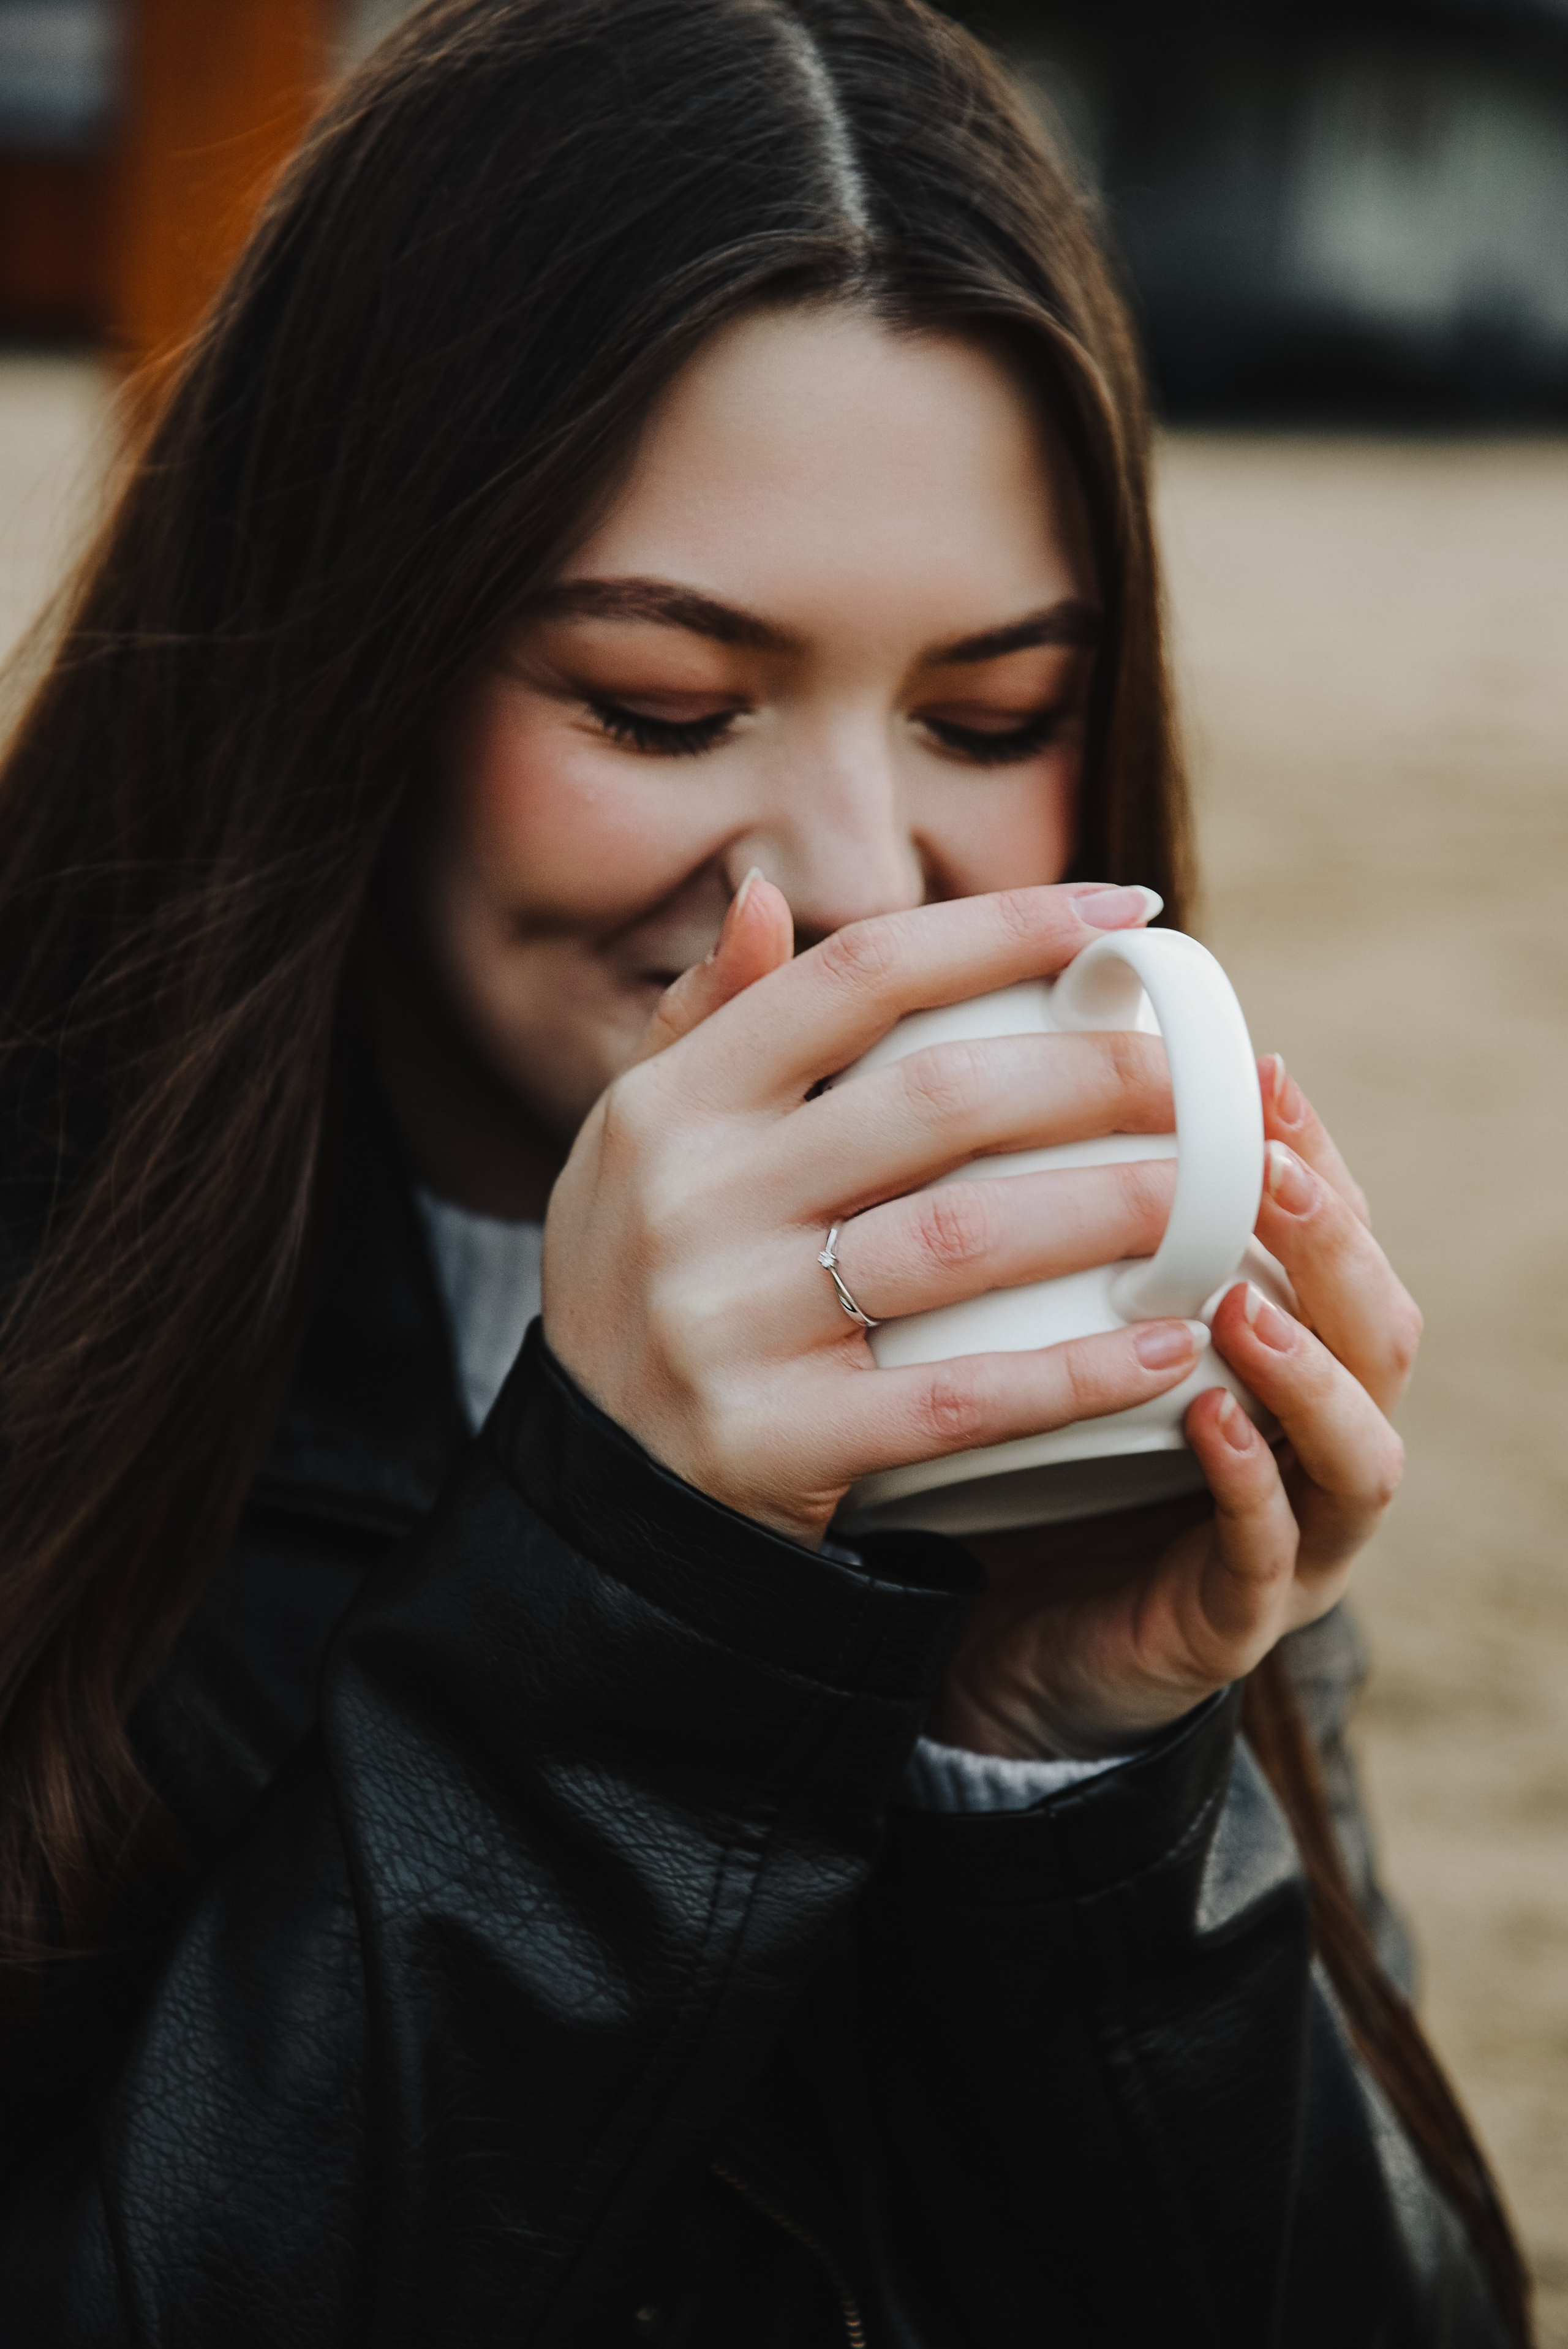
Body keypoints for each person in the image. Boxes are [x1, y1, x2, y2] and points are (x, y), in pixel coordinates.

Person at [0, 1, 1532, 2340]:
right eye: (660, 704)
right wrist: (623, 1604)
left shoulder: (1077, 1342)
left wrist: (1076, 1785)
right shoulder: (61, 1362)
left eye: (992, 719)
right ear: (348, 666)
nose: (848, 880)